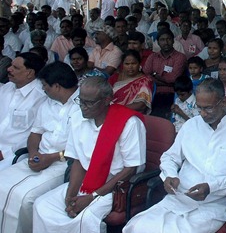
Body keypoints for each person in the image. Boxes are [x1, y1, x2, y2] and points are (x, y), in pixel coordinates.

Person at [123, 78, 226, 233]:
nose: (203, 114)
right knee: (137, 226)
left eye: (208, 108)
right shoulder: (192, 125)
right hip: (179, 198)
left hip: (213, 205)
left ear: (223, 102)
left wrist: (212, 187)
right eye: (199, 108)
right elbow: (170, 157)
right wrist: (170, 175)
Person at [32, 77, 146, 233]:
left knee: (86, 219)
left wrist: (91, 197)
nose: (83, 107)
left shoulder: (129, 123)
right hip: (85, 181)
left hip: (114, 186)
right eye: (81, 101)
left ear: (107, 100)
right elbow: (77, 161)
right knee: (42, 205)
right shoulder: (78, 118)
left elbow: (130, 169)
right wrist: (70, 196)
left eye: (89, 103)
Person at [0, 61, 78, 233]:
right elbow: (35, 133)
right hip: (39, 157)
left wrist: (50, 158)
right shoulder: (48, 103)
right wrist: (33, 153)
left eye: (44, 86)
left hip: (65, 164)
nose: (42, 89)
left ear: (57, 86)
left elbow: (84, 148)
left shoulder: (84, 105)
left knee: (25, 198)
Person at [0, 53, 46, 170]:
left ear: (29, 73)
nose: (9, 69)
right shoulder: (6, 88)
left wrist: (5, 153)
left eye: (15, 68)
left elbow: (33, 134)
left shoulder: (41, 96)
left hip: (13, 154)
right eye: (11, 65)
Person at [143, 29, 187, 118]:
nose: (166, 42)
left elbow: (174, 79)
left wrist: (155, 76)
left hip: (171, 93)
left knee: (160, 114)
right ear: (158, 42)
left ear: (173, 41)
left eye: (168, 39)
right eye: (162, 40)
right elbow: (145, 76)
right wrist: (165, 81)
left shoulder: (180, 57)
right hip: (151, 92)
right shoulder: (153, 57)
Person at [108, 50, 153, 114]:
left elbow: (141, 105)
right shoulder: (115, 77)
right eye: (127, 64)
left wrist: (117, 110)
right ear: (122, 64)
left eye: (133, 63)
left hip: (130, 114)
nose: (130, 67)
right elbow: (104, 95)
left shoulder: (144, 81)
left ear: (139, 64)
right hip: (110, 111)